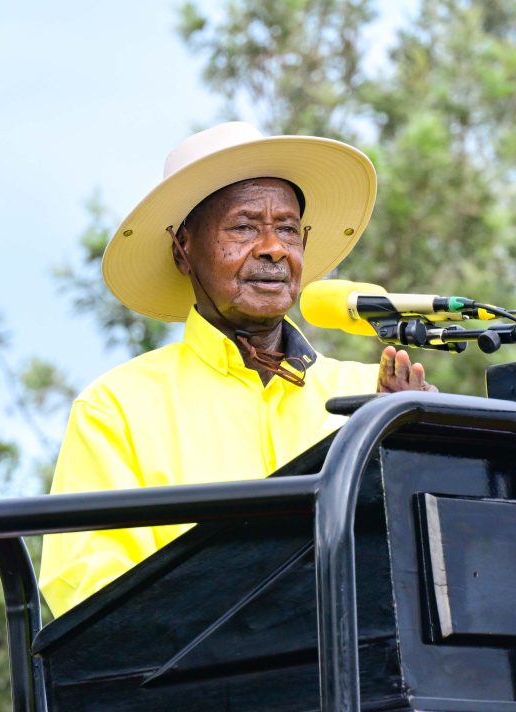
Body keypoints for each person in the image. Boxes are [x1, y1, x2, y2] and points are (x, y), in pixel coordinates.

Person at [39, 122, 435, 616]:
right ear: (183, 248)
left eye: (288, 229)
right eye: (245, 227)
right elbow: (90, 596)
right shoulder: (116, 408)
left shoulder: (372, 396)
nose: (273, 248)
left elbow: (434, 571)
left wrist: (419, 449)